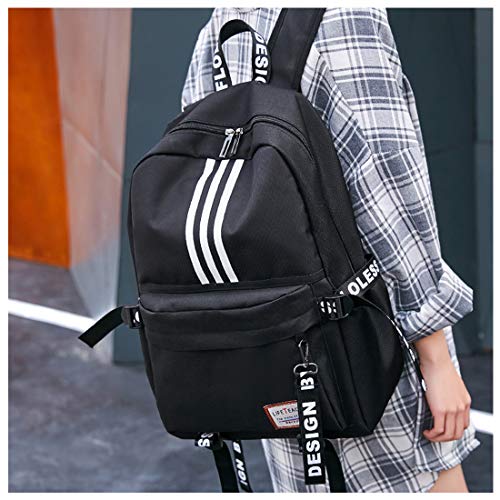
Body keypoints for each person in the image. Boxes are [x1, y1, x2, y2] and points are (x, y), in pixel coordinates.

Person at [181, 7, 480, 493]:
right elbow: (388, 190)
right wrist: (435, 355)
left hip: (273, 338)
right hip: (371, 335)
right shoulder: (344, 16)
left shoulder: (223, 20)